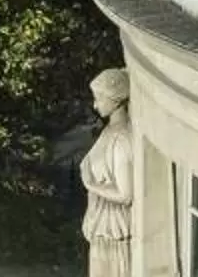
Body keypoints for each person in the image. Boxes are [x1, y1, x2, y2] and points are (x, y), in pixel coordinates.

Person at [77, 67, 135, 277]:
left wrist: (90, 184)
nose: (95, 104)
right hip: (103, 226)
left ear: (116, 99)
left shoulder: (121, 140)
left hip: (112, 230)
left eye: (99, 98)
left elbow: (125, 195)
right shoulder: (110, 132)